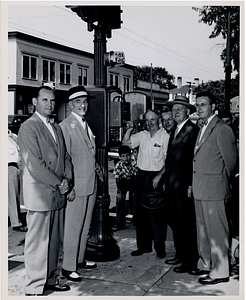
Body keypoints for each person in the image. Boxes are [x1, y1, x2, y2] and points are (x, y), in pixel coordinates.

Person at [18, 86, 74, 296]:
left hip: (57, 192)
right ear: (35, 101)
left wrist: (67, 179)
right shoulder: (28, 127)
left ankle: (50, 280)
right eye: (45, 100)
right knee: (37, 243)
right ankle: (34, 286)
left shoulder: (57, 127)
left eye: (52, 101)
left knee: (53, 242)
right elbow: (34, 164)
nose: (49, 104)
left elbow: (66, 158)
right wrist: (60, 183)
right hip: (41, 194)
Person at [191, 91, 238, 285]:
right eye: (197, 105)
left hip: (215, 188)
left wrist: (222, 183)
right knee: (203, 230)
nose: (199, 108)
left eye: (203, 104)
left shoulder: (222, 128)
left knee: (217, 230)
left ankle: (220, 271)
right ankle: (206, 263)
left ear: (212, 107)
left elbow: (231, 161)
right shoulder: (201, 127)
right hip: (200, 188)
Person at [59, 86, 103, 282]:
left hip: (89, 182)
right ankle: (68, 267)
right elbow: (65, 158)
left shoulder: (85, 124)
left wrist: (96, 167)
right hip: (76, 185)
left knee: (85, 225)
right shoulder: (65, 126)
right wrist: (68, 185)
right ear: (70, 105)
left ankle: (79, 258)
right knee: (73, 226)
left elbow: (86, 153)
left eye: (85, 101)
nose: (83, 105)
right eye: (78, 102)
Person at [155, 95, 199, 273]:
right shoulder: (176, 130)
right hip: (173, 186)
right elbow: (170, 160)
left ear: (187, 111)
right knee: (177, 224)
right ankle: (180, 255)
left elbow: (193, 161)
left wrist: (190, 185)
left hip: (184, 187)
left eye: (179, 109)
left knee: (187, 225)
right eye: (174, 110)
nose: (176, 112)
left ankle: (189, 261)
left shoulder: (192, 131)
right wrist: (166, 181)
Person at [122, 110, 169, 258]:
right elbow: (125, 144)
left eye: (152, 120)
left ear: (158, 120)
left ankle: (160, 248)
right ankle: (143, 246)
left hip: (156, 178)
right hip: (141, 177)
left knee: (156, 216)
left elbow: (169, 161)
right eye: (147, 120)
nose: (150, 123)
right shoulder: (142, 135)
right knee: (141, 214)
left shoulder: (165, 136)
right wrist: (129, 129)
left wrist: (159, 177)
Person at [112, 145, 138, 231]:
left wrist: (135, 191)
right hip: (122, 182)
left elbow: (136, 177)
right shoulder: (118, 165)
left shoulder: (134, 163)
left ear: (130, 155)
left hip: (133, 182)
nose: (126, 158)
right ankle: (119, 222)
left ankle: (136, 220)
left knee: (134, 199)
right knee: (120, 200)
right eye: (123, 156)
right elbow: (117, 179)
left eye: (127, 155)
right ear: (119, 157)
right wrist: (119, 192)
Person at [8, 129, 27, 232]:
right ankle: (15, 222)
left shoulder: (12, 136)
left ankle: (15, 222)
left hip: (14, 167)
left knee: (13, 196)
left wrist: (12, 136)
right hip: (7, 166)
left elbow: (22, 144)